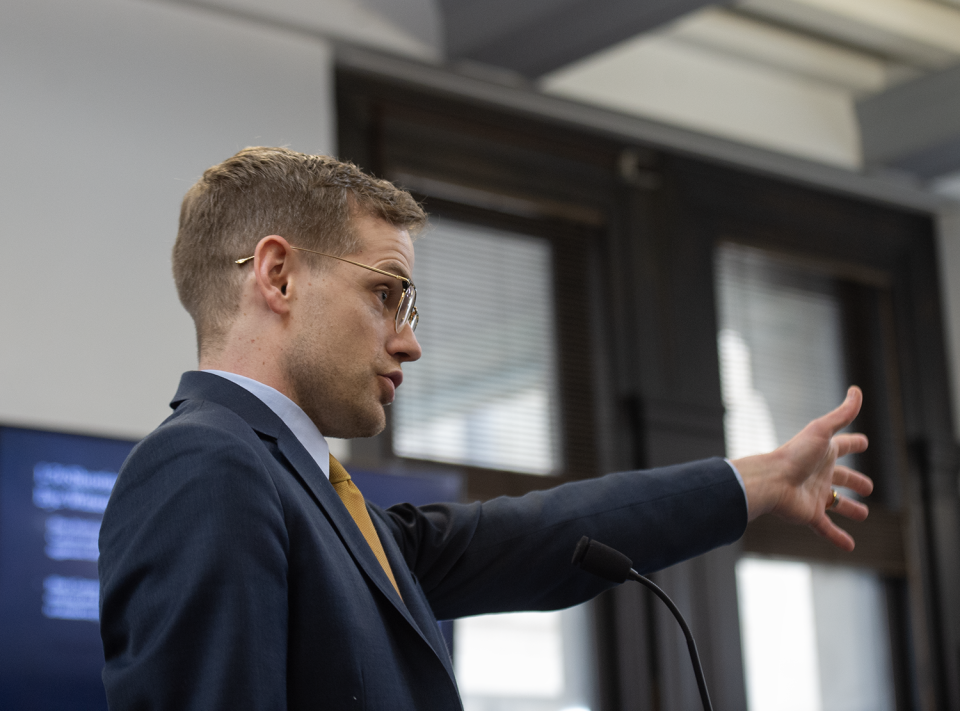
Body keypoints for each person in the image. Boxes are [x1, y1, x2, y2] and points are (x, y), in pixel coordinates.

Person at [98, 147, 873, 710]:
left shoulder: (319, 498)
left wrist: (758, 480)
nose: (409, 340)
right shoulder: (206, 465)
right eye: (387, 294)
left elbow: (546, 535)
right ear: (278, 275)